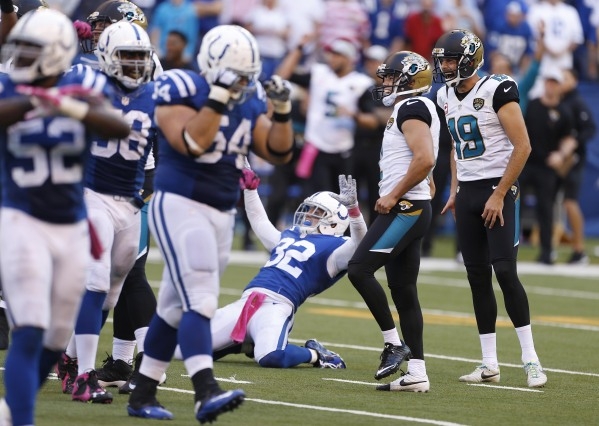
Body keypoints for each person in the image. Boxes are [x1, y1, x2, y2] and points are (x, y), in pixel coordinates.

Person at [126, 24, 294, 422]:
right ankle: (205, 390)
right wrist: (218, 96)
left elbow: (277, 151)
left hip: (221, 211)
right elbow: (191, 142)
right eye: (236, 76)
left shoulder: (248, 98)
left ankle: (142, 393)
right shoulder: (181, 86)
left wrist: (283, 111)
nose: (243, 84)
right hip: (180, 203)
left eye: (247, 77)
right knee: (200, 299)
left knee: (173, 308)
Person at [0, 8, 130, 425]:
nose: (20, 56)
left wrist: (68, 106)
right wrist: (36, 101)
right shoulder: (8, 86)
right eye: (19, 48)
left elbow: (117, 126)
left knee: (56, 340)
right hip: (21, 221)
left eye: (30, 49)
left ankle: (11, 410)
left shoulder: (84, 84)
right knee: (29, 331)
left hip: (71, 226)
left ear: (54, 53)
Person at [432, 29, 547, 388]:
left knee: (505, 271)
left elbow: (523, 146)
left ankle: (531, 360)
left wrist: (499, 193)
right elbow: (456, 147)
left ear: (470, 60)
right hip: (468, 192)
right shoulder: (444, 94)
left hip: (499, 187)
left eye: (451, 60)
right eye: (443, 61)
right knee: (477, 276)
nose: (445, 66)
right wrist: (455, 188)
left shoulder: (497, 88)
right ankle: (489, 363)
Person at [57, 20, 158, 404]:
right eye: (127, 56)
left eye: (140, 57)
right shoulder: (86, 82)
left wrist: (144, 197)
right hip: (91, 195)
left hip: (129, 203)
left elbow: (161, 155)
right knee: (96, 282)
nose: (134, 64)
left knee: (112, 294)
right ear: (107, 56)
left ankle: (68, 357)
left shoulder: (156, 95)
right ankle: (86, 376)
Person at [204, 171, 367, 368]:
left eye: (317, 212)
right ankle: (244, 345)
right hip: (246, 301)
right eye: (309, 209)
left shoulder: (337, 249)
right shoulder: (290, 235)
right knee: (185, 348)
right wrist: (250, 189)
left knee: (270, 357)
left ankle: (317, 355)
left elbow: (360, 244)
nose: (308, 214)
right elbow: (260, 221)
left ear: (334, 222)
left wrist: (354, 212)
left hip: (277, 305)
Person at [346, 51, 438, 393]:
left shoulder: (411, 106)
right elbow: (425, 162)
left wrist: (395, 193)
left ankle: (393, 344)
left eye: (391, 77)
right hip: (413, 206)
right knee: (403, 290)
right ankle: (417, 373)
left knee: (359, 269)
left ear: (410, 80)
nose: (384, 82)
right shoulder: (413, 107)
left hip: (406, 208)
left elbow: (425, 158)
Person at [559, 68, 596, 264]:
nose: (561, 82)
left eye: (565, 78)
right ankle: (558, 246)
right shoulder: (562, 100)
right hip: (560, 160)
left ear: (574, 80)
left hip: (573, 160)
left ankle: (579, 249)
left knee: (570, 202)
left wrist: (574, 141)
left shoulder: (576, 102)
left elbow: (590, 128)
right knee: (562, 202)